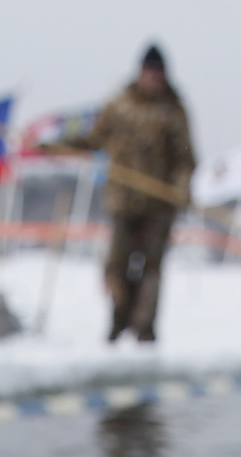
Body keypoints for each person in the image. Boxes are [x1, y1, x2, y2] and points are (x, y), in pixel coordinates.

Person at [64, 45, 194, 343]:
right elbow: (93, 139)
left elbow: (186, 158)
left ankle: (144, 328)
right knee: (117, 267)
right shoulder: (119, 106)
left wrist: (180, 189)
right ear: (140, 72)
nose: (154, 78)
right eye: (150, 72)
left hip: (159, 204)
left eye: (159, 73)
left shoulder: (173, 111)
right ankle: (119, 321)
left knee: (151, 269)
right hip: (123, 201)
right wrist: (55, 146)